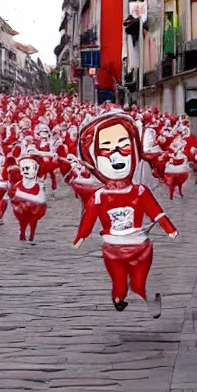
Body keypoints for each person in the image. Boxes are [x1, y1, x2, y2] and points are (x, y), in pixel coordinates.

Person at [73, 111, 178, 318]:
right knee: (119, 288)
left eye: (124, 147)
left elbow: (156, 212)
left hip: (141, 247)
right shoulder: (100, 196)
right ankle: (119, 297)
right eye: (106, 150)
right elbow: (88, 219)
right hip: (112, 249)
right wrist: (80, 237)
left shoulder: (140, 191)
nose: (116, 155)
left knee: (138, 285)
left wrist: (170, 229)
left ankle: (148, 299)